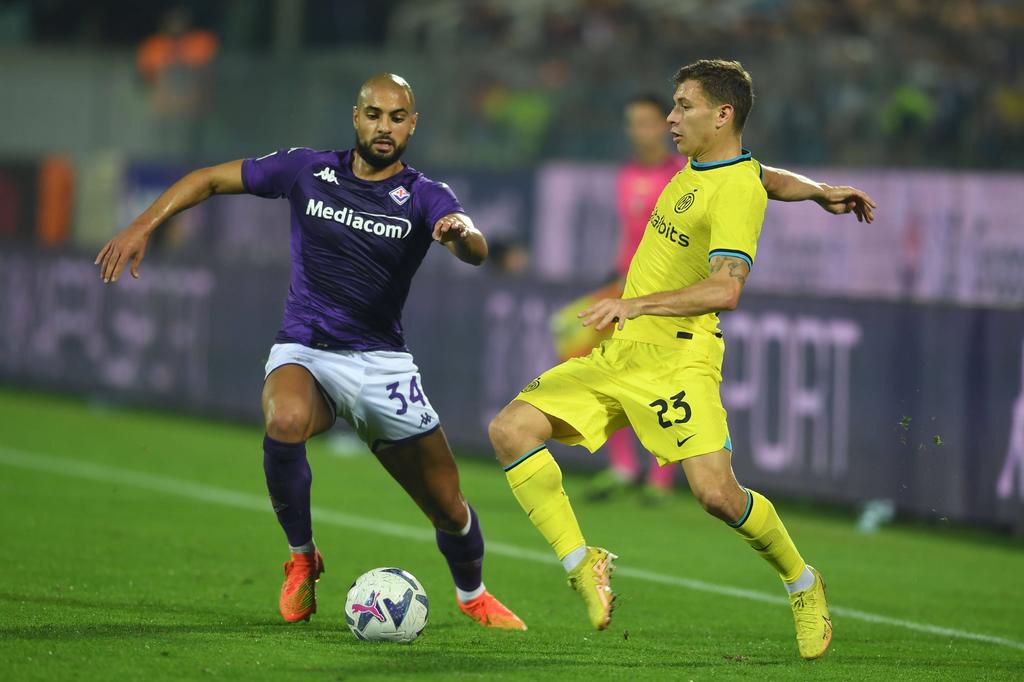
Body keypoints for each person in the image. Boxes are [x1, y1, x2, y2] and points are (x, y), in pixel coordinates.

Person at [95, 73, 526, 631]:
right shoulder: (307, 169)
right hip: (307, 348)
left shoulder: (424, 195)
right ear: (356, 116)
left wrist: (457, 233)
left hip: (382, 365)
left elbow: (475, 244)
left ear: (412, 124)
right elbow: (207, 180)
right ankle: (303, 558)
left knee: (447, 504)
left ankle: (473, 595)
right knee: (286, 419)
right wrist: (142, 224)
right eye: (374, 114)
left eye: (397, 117)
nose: (385, 127)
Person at [488, 59, 876, 659]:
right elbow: (766, 173)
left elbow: (727, 289)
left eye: (683, 106)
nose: (670, 117)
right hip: (623, 351)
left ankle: (802, 583)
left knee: (717, 496)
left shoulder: (735, 192)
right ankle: (581, 562)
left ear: (722, 115)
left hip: (677, 360)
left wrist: (634, 302)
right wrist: (820, 191)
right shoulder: (713, 164)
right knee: (511, 429)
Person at [583, 93, 687, 505]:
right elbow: (629, 234)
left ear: (665, 125)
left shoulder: (681, 174)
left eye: (646, 122)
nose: (638, 131)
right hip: (623, 287)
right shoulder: (626, 173)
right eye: (632, 123)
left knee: (662, 383)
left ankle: (660, 479)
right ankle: (624, 466)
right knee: (595, 362)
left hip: (661, 293)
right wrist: (614, 271)